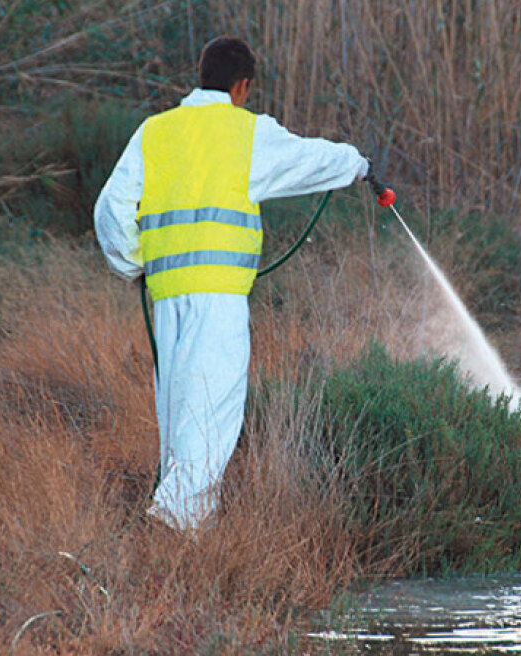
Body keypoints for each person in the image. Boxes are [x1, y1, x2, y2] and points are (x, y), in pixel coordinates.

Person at [94, 36, 368, 531]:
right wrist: (359, 165)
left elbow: (110, 210)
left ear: (201, 76)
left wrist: (132, 263)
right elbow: (311, 159)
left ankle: (187, 545)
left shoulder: (155, 132)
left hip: (168, 300)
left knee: (180, 420)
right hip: (218, 301)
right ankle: (168, 529)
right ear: (243, 86)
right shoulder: (247, 133)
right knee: (211, 421)